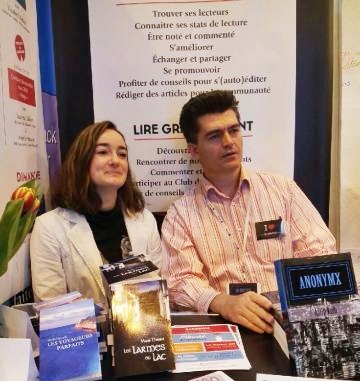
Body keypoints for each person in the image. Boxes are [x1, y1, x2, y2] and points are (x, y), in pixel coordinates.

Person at [161, 90, 337, 334]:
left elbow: (321, 253)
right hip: (226, 330)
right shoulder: (180, 214)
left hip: (289, 324)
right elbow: (179, 280)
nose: (228, 142)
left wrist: (287, 306)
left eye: (234, 130)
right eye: (214, 136)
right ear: (193, 150)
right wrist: (220, 301)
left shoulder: (282, 190)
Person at [30, 120, 161, 305]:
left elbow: (158, 293)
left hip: (145, 332)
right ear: (81, 161)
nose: (115, 160)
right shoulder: (49, 227)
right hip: (83, 333)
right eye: (102, 152)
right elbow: (51, 309)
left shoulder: (144, 219)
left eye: (122, 154)